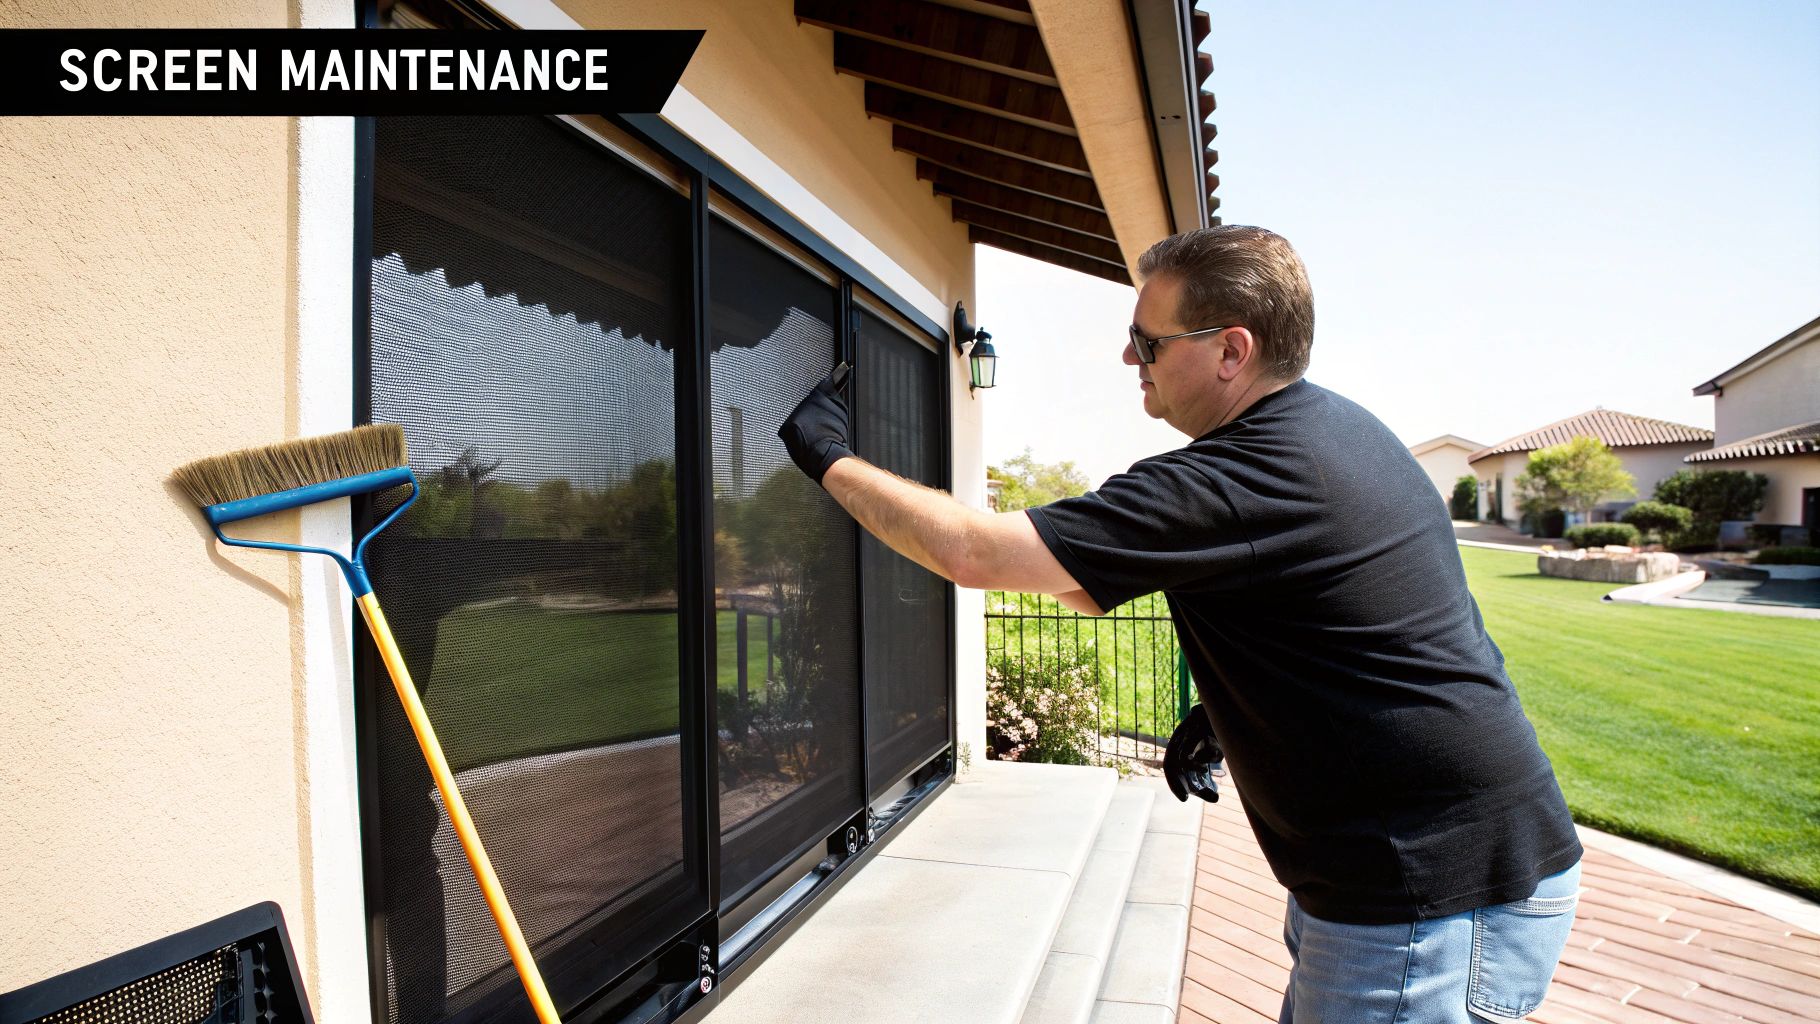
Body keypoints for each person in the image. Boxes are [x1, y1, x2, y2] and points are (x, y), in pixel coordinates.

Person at [777, 224, 1583, 1023]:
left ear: (1232, 350)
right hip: (1429, 874)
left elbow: (977, 555)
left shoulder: (1240, 477)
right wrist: (1236, 715)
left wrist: (830, 457)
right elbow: (1352, 624)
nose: (1131, 358)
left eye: (1147, 340)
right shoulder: (1337, 431)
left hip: (1427, 895)